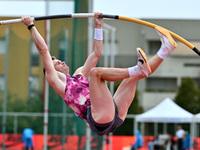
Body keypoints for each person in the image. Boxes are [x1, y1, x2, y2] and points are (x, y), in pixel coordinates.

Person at [21, 12, 177, 136]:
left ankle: (166, 49)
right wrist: (31, 26)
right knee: (96, 73)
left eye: (61, 60)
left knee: (133, 78)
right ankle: (137, 68)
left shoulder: (79, 74)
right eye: (57, 63)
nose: (62, 62)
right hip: (97, 117)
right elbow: (43, 50)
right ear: (51, 70)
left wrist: (98, 26)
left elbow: (96, 53)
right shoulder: (55, 80)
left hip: (113, 114)